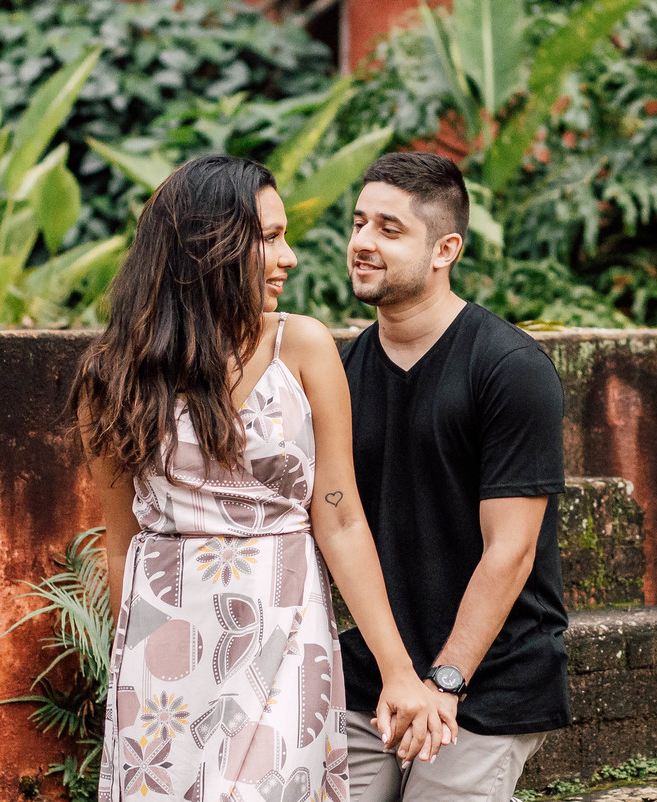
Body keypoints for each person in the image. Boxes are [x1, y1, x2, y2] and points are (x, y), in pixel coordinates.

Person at [70, 155, 451, 802]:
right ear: (206, 248)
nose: (291, 257)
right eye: (269, 238)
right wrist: (131, 673)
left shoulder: (301, 347)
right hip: (165, 655)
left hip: (283, 641)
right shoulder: (113, 375)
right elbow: (120, 542)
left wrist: (399, 672)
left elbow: (340, 518)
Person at [338, 152, 571, 802]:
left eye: (389, 229)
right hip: (376, 670)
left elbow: (511, 549)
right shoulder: (341, 372)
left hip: (490, 671)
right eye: (359, 223)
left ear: (445, 249)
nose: (361, 243)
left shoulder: (508, 368)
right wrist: (396, 671)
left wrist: (445, 680)